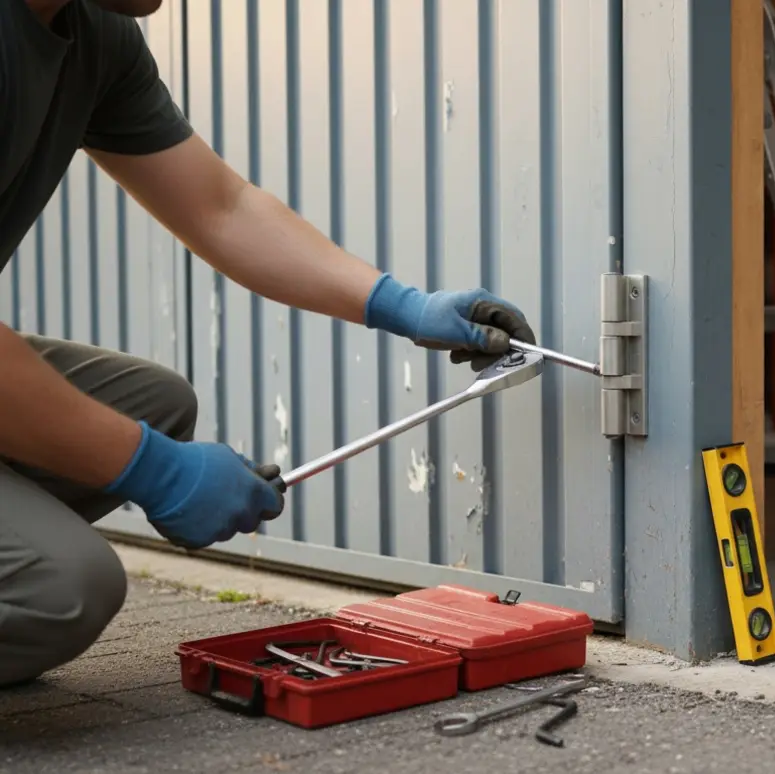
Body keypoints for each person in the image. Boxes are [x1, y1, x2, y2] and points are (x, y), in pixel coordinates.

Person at [0, 0, 537, 687]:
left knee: (157, 405)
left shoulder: (96, 39)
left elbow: (221, 208)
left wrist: (404, 306)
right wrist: (155, 470)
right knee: (63, 589)